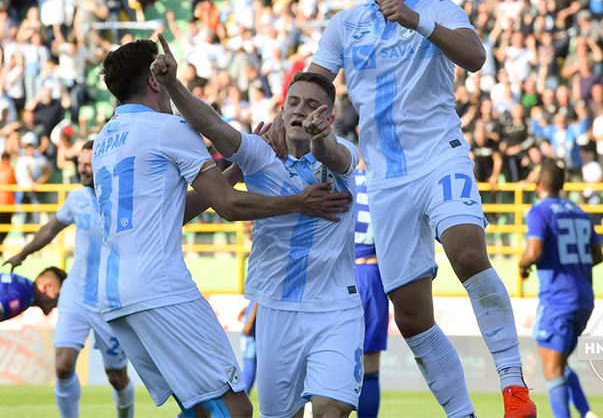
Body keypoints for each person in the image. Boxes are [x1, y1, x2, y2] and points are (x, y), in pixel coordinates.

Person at [283, 0, 535, 418]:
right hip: (384, 179)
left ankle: (513, 388)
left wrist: (416, 20)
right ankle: (462, 413)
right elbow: (314, 81)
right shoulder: (345, 24)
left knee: (466, 252)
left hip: (440, 156)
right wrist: (289, 117)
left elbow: (475, 55)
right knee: (413, 314)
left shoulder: (439, 9)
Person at [93, 37, 351, 418]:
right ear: (154, 80)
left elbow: (174, 212)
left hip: (114, 295)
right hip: (160, 288)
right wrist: (298, 202)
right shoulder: (170, 129)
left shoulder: (103, 140)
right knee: (236, 409)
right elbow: (228, 207)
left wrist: (236, 170)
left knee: (201, 409)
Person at [153, 66, 363, 418]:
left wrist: (320, 137)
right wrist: (172, 83)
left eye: (311, 105)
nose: (300, 110)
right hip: (276, 308)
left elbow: (332, 155)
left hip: (335, 308)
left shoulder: (342, 151)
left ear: (327, 116)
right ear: (281, 110)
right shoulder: (257, 154)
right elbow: (213, 124)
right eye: (293, 102)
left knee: (331, 410)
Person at [4, 142, 135, 418]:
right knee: (63, 366)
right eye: (81, 163)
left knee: (116, 376)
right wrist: (22, 254)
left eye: (88, 164)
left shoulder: (123, 198)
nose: (83, 169)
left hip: (110, 301)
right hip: (75, 295)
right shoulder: (77, 199)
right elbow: (51, 228)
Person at [519, 162, 602, 418]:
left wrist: (522, 266)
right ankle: (587, 413)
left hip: (558, 297)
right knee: (559, 362)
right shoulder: (579, 211)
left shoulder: (539, 211)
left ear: (539, 184)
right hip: (584, 298)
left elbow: (533, 251)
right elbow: (598, 256)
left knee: (552, 367)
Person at [354, 157, 389, 418]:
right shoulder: (385, 183)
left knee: (329, 360)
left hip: (342, 273)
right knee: (371, 365)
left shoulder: (342, 180)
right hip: (374, 274)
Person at [0, 266, 65, 321]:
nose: (57, 304)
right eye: (58, 296)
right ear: (46, 287)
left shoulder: (23, 284)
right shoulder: (23, 296)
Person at [238, 301, 257, 394]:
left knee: (247, 378)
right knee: (248, 379)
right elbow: (247, 330)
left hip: (251, 345)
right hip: (251, 346)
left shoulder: (255, 300)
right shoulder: (255, 301)